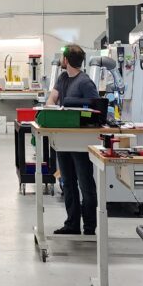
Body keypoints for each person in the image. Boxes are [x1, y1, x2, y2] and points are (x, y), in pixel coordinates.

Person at [48, 44, 100, 235]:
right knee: (68, 183)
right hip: (63, 140)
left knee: (85, 184)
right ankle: (72, 224)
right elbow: (52, 99)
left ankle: (89, 227)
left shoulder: (85, 82)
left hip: (80, 142)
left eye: (63, 57)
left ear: (66, 60)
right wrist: (55, 108)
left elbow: (96, 110)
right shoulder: (62, 78)